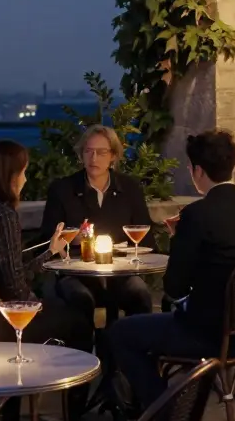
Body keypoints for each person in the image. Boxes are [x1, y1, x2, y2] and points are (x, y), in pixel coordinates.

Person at [109, 130, 235, 421]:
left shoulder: (197, 215)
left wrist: (180, 239)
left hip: (206, 335)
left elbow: (175, 287)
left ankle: (167, 413)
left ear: (197, 170)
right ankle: (169, 410)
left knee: (121, 332)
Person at [0, 140, 94, 353]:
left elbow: (9, 269)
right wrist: (39, 307)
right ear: (11, 176)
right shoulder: (2, 215)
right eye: (23, 172)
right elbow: (15, 288)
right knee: (78, 322)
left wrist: (50, 251)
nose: (25, 178)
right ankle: (69, 384)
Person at [40, 125, 156, 321]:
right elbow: (47, 238)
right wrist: (70, 240)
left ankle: (132, 348)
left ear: (113, 156)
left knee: (140, 294)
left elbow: (147, 238)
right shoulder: (62, 189)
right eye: (88, 151)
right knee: (80, 299)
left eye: (101, 152)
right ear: (81, 154)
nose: (94, 158)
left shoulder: (130, 188)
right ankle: (82, 351)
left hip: (121, 271)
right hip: (75, 272)